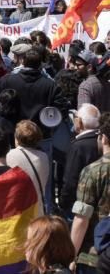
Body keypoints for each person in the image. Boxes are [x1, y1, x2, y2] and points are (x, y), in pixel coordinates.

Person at [71, 113, 110, 271]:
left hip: (95, 254)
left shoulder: (93, 171)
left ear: (103, 138)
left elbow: (81, 219)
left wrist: (70, 256)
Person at [61, 104, 102, 214]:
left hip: (81, 205)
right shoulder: (103, 140)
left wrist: (63, 203)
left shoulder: (78, 147)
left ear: (79, 122)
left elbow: (70, 179)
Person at [8, 120, 51, 215]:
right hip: (38, 211)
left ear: (17, 138)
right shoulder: (44, 156)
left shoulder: (11, 155)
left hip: (18, 211)